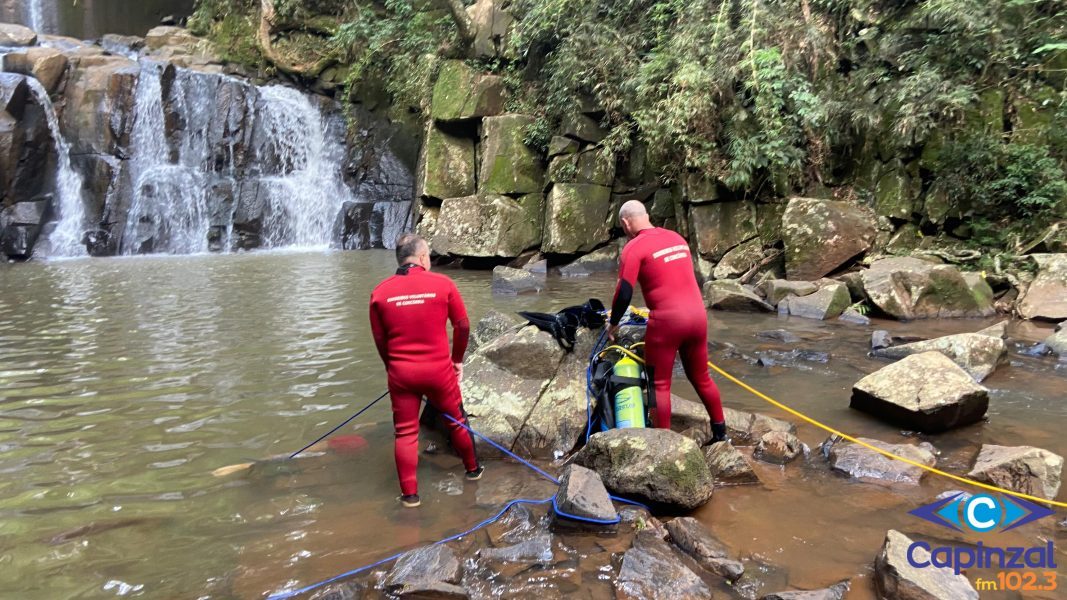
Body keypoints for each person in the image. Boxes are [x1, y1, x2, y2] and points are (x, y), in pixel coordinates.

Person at [369, 233, 483, 507]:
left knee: (405, 433)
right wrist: (457, 360)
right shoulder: (442, 284)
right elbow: (463, 325)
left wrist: (392, 368)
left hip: (401, 374)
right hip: (438, 372)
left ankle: (410, 496)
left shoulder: (380, 293)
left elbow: (380, 340)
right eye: (429, 256)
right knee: (456, 420)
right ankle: (472, 471)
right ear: (421, 258)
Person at [607, 200, 728, 443]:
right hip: (698, 316)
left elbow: (624, 292)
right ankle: (721, 434)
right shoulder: (676, 238)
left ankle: (663, 445)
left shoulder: (633, 248)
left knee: (659, 385)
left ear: (625, 223)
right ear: (647, 216)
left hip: (667, 322)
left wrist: (614, 323)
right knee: (702, 377)